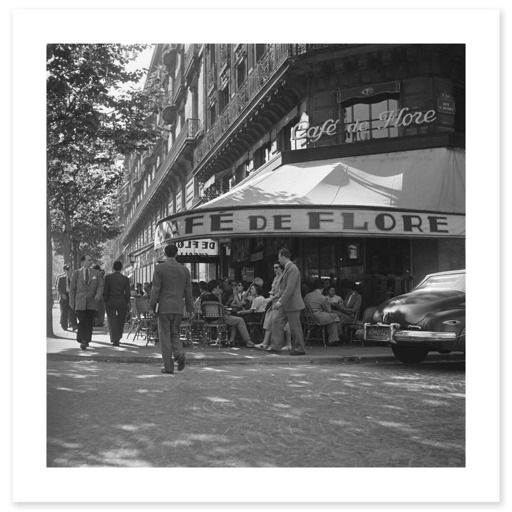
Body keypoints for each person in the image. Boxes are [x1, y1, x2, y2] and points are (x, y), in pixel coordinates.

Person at [149, 244, 194, 375]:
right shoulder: (184, 270)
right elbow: (188, 291)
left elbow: (155, 289)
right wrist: (190, 308)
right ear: (176, 253)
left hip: (164, 307)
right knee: (175, 333)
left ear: (164, 253)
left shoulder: (160, 268)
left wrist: (151, 307)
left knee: (164, 335)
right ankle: (179, 354)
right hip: (178, 307)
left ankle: (168, 366)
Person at [270, 248, 306, 355]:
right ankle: (275, 347)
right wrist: (277, 299)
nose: (278, 260)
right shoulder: (288, 268)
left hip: (292, 304)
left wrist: (279, 302)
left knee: (295, 328)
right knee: (277, 322)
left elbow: (289, 288)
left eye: (279, 257)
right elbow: (284, 288)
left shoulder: (292, 269)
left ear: (283, 257)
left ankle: (300, 349)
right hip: (286, 304)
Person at [200, 280, 254, 347]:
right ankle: (248, 341)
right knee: (240, 320)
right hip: (219, 319)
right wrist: (226, 311)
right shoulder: (215, 298)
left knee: (234, 321)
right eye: (218, 288)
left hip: (207, 319)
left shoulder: (203, 298)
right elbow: (220, 309)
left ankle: (231, 340)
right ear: (215, 288)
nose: (219, 289)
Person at [69, 254, 104, 350]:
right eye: (88, 260)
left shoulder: (96, 273)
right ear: (83, 262)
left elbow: (100, 286)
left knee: (89, 322)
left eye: (91, 260)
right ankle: (82, 339)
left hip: (92, 301)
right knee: (82, 321)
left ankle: (85, 340)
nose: (90, 262)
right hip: (79, 302)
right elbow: (72, 289)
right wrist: (71, 302)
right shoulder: (76, 273)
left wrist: (98, 295)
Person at [254, 262, 291, 351]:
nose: (275, 269)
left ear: (281, 268)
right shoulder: (275, 278)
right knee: (269, 321)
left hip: (282, 302)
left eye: (277, 267)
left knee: (284, 324)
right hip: (274, 303)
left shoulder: (284, 277)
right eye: (274, 268)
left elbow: (281, 291)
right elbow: (273, 290)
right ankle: (265, 342)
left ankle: (288, 344)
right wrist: (270, 297)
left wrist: (271, 299)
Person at [103, 261, 131, 346]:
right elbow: (128, 292)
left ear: (113, 268)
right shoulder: (125, 279)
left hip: (111, 300)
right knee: (121, 320)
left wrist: (105, 300)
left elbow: (105, 290)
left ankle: (115, 339)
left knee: (112, 320)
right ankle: (118, 336)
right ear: (121, 268)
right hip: (121, 300)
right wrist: (126, 300)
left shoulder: (108, 278)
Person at [55, 264, 78, 331]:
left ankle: (74, 325)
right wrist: (62, 294)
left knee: (72, 311)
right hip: (64, 297)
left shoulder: (74, 279)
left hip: (72, 296)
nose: (71, 272)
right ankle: (64, 325)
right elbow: (58, 287)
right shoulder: (61, 278)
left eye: (72, 271)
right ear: (66, 271)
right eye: (70, 270)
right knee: (64, 311)